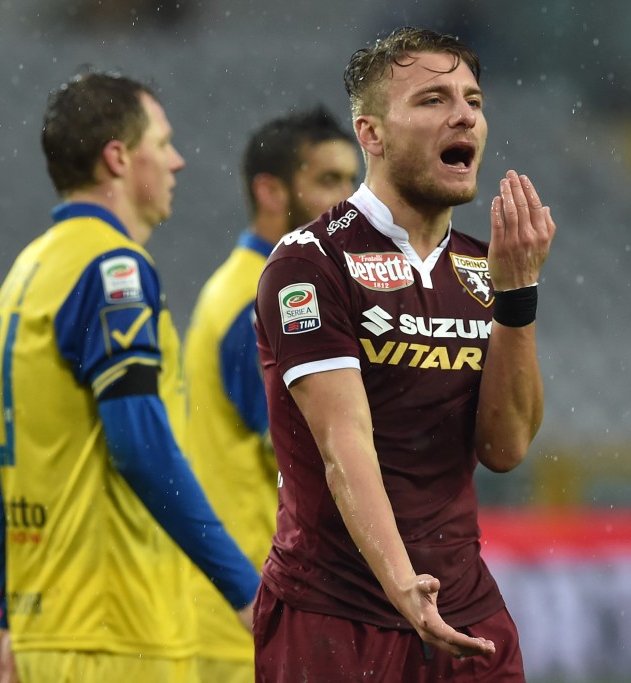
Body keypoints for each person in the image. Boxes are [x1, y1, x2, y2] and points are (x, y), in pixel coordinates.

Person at [251, 26, 555, 682]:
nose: (464, 115)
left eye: (473, 100)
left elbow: (504, 448)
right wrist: (401, 583)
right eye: (433, 99)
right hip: (338, 613)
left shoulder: (484, 266)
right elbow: (344, 444)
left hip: (464, 610)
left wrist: (518, 294)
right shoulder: (310, 262)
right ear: (371, 134)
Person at [0, 69, 259, 683]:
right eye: (162, 142)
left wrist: (11, 607)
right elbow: (138, 444)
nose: (177, 161)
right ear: (119, 159)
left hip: (51, 627)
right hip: (119, 633)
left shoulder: (29, 271)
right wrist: (243, 588)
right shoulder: (113, 268)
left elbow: (0, 460)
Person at [184, 106, 359, 681]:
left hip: (245, 620)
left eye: (355, 181)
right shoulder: (264, 302)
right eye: (329, 180)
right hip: (255, 628)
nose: (352, 199)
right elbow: (317, 460)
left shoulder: (249, 289)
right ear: (270, 191)